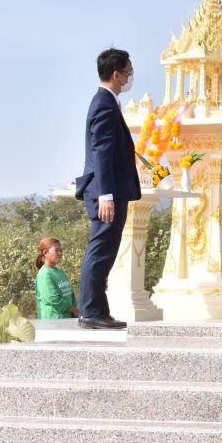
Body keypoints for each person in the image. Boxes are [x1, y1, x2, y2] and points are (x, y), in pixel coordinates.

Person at [74, 48, 142, 329]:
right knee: (101, 250)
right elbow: (101, 151)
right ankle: (90, 310)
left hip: (112, 189)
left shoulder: (108, 102)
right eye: (128, 72)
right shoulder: (104, 103)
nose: (129, 77)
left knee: (105, 251)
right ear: (116, 75)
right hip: (107, 192)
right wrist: (106, 196)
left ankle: (97, 310)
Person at [35, 237, 79, 320]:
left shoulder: (60, 272)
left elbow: (70, 294)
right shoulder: (44, 274)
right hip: (53, 323)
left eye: (61, 250)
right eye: (56, 250)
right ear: (45, 253)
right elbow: (53, 299)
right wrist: (73, 310)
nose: (60, 253)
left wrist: (75, 309)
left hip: (67, 320)